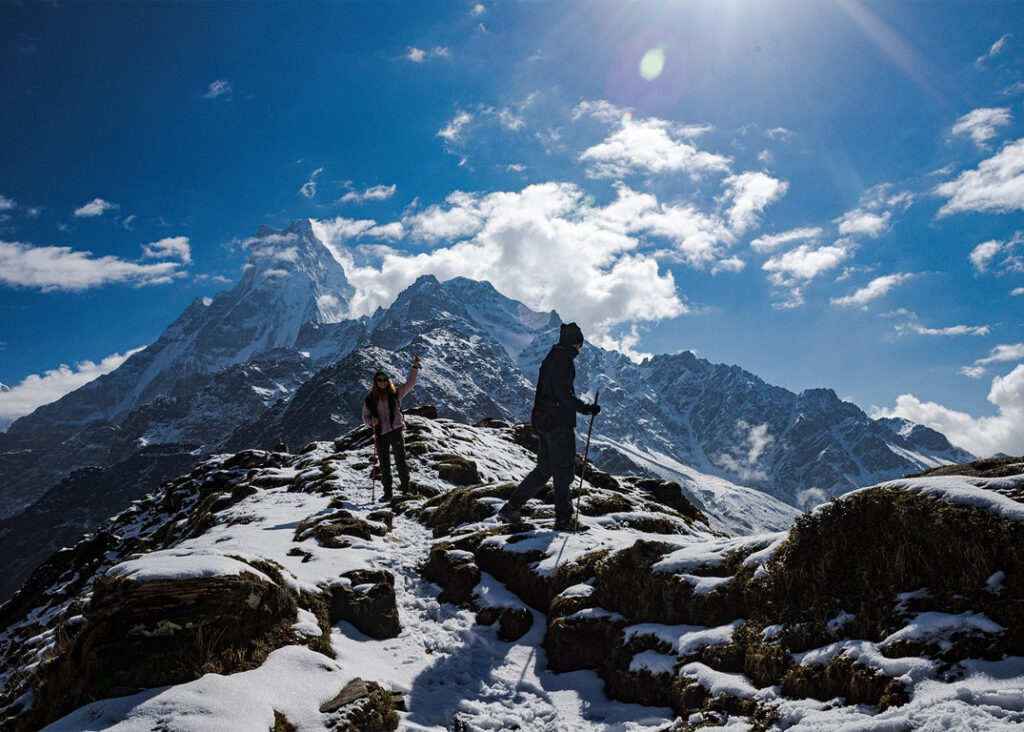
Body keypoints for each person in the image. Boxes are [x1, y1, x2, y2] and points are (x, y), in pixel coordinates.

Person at [498, 322, 600, 531]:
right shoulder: (564, 360)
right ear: (575, 343)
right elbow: (564, 393)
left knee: (544, 470)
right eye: (580, 344)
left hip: (544, 421)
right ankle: (564, 520)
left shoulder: (551, 357)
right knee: (563, 472)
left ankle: (511, 507)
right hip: (559, 423)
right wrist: (585, 408)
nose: (580, 349)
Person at [362, 355, 420, 502]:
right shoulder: (370, 399)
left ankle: (406, 489)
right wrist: (371, 423)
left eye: (384, 379)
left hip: (396, 431)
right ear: (375, 382)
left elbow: (411, 383)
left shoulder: (396, 394)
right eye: (379, 380)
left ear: (388, 381)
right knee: (385, 465)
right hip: (381, 434)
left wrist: (415, 367)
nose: (382, 382)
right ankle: (388, 493)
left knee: (401, 461)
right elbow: (365, 416)